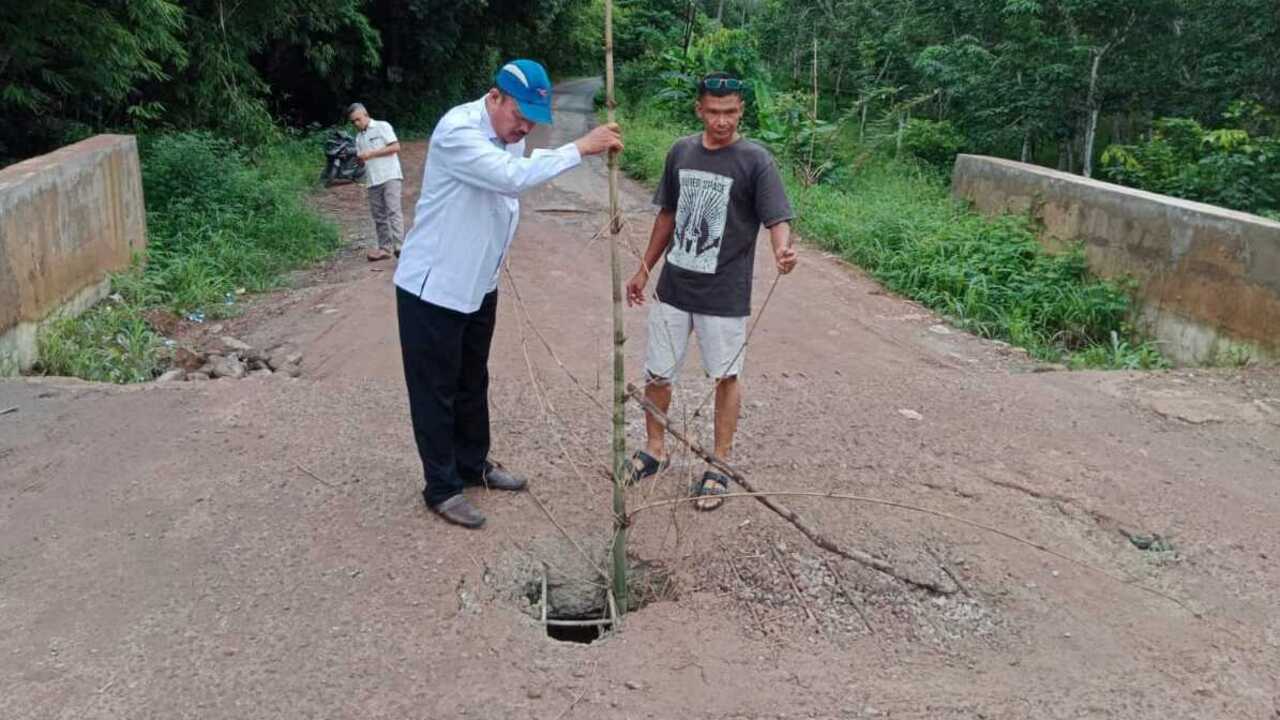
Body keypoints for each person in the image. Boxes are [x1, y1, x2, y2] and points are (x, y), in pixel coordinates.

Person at [394, 59, 624, 529]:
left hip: (478, 283)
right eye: (519, 117)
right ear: (494, 97)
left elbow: (510, 185)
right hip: (433, 287)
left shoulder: (507, 138)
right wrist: (582, 147)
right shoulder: (458, 130)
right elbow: (509, 179)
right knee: (435, 390)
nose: (523, 129)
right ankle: (441, 487)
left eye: (532, 123)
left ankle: (472, 464)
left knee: (472, 380)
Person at [625, 72, 797, 511]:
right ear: (699, 109)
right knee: (658, 372)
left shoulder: (756, 161)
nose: (723, 121)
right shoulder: (681, 152)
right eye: (715, 111)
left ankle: (719, 464)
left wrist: (783, 251)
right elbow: (667, 214)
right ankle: (654, 450)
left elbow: (777, 217)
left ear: (741, 111)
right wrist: (645, 269)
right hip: (674, 287)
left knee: (725, 375)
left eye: (732, 112)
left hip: (725, 293)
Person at [348, 103, 404, 262]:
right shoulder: (359, 137)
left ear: (366, 115)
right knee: (378, 215)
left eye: (358, 119)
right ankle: (385, 248)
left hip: (390, 175)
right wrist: (357, 161)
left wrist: (372, 153)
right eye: (353, 122)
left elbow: (395, 147)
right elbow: (362, 158)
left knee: (393, 211)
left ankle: (400, 247)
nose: (356, 124)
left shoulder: (382, 126)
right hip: (372, 179)